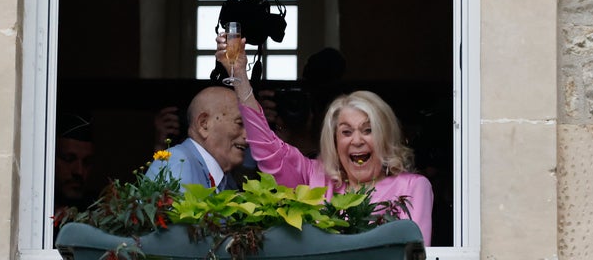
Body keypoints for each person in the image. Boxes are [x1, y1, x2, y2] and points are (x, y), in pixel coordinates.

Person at [215, 36, 434, 246]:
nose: (357, 140)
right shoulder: (315, 177)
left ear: (385, 137)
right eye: (346, 132)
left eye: (368, 130)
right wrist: (240, 77)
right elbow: (266, 149)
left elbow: (415, 253)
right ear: (335, 142)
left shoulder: (413, 186)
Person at [145, 86, 249, 192]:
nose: (248, 136)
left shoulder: (226, 180)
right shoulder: (178, 163)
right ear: (204, 124)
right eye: (239, 124)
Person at [53, 112, 97, 238]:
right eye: (69, 159)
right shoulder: (31, 217)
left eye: (87, 162)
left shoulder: (99, 212)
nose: (79, 171)